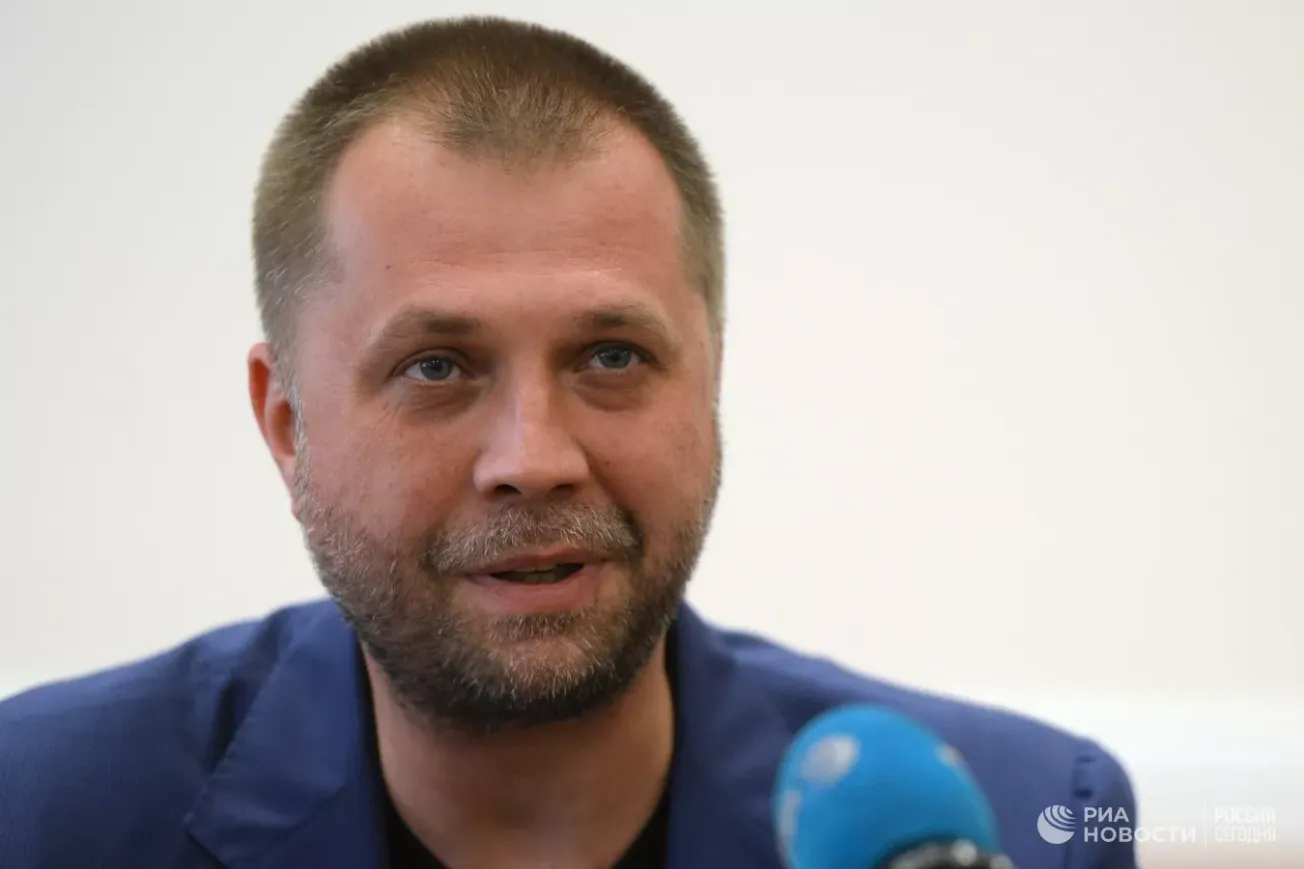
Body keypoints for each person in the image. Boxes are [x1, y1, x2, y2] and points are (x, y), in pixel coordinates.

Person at [0, 16, 1136, 869]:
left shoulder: (1023, 820)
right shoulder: (39, 812)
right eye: (436, 367)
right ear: (286, 425)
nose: (534, 457)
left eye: (610, 356)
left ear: (710, 382)